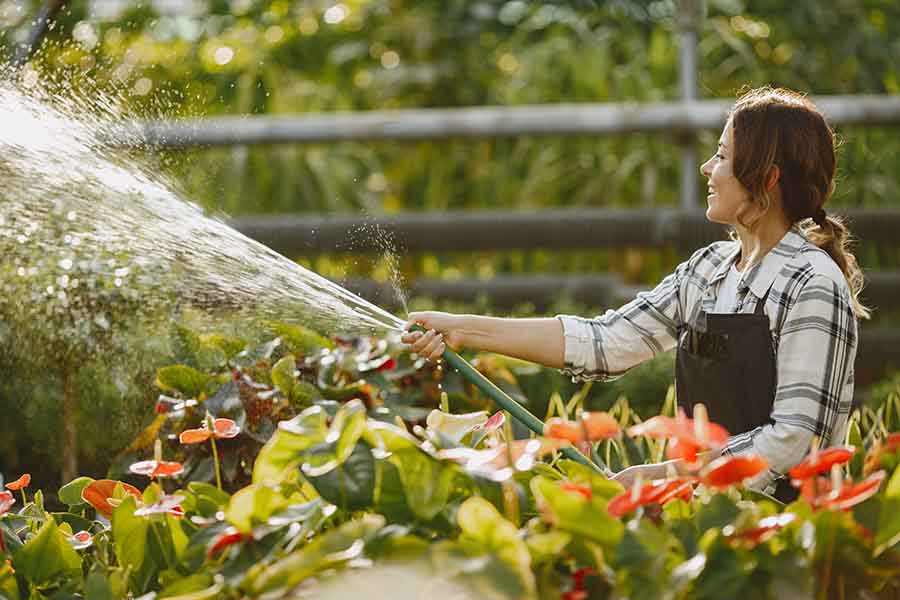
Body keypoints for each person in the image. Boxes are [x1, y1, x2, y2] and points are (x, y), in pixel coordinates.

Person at [400, 87, 870, 502]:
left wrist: (669, 477)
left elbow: (793, 441)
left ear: (766, 178)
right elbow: (606, 342)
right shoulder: (708, 271)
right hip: (709, 521)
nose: (708, 168)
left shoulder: (812, 284)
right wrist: (459, 329)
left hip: (789, 535)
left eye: (723, 156)